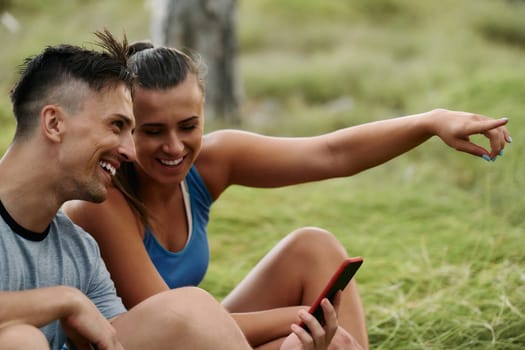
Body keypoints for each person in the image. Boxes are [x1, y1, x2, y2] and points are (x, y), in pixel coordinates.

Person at [63, 42, 511, 350]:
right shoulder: (102, 200)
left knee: (313, 248)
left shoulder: (209, 163)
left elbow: (331, 153)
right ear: (124, 127)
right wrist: (301, 318)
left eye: (188, 126)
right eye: (153, 132)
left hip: (201, 333)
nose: (175, 147)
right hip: (149, 342)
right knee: (293, 339)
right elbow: (177, 323)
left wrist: (430, 123)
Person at [0, 31, 339, 350]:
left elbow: (129, 336)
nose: (130, 151)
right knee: (19, 340)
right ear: (55, 123)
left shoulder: (79, 251)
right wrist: (65, 300)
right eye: (116, 126)